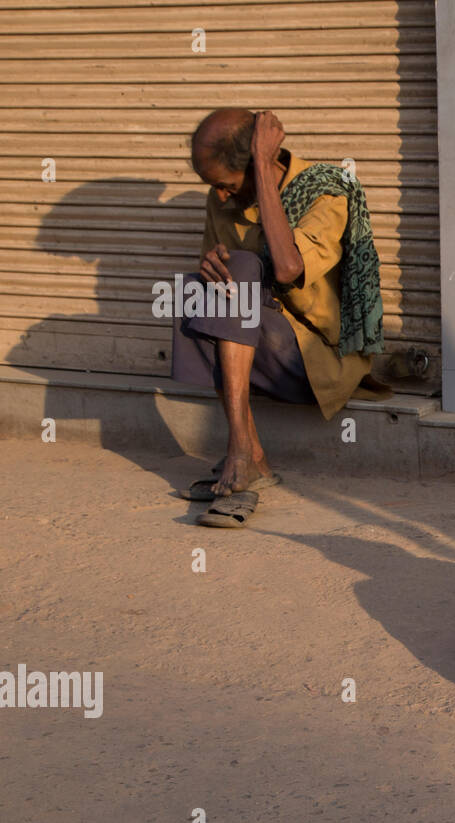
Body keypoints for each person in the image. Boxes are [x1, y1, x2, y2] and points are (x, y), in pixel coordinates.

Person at [172, 108, 389, 521]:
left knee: (240, 272)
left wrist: (264, 174)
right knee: (200, 289)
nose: (220, 197)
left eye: (225, 185)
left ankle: (239, 453)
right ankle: (251, 456)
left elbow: (289, 268)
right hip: (254, 345)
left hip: (317, 359)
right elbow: (217, 269)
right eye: (213, 187)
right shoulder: (223, 196)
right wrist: (212, 262)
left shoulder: (326, 191)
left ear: (258, 163)